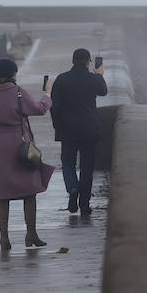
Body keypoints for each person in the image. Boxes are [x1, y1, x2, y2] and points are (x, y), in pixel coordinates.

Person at [0, 58, 54, 250]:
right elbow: (40, 109)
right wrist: (47, 94)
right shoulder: (17, 92)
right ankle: (31, 234)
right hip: (19, 145)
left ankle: (4, 238)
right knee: (29, 191)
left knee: (2, 195)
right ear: (13, 73)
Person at [49, 48, 108, 215]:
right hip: (89, 128)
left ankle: (73, 188)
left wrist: (57, 126)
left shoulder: (62, 79)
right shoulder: (94, 78)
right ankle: (84, 204)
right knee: (87, 166)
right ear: (88, 61)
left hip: (67, 129)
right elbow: (103, 91)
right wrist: (100, 73)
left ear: (73, 61)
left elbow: (55, 106)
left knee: (68, 163)